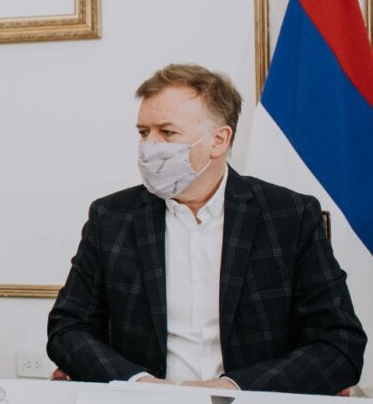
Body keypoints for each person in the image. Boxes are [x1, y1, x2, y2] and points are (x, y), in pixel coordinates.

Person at [47, 64, 367, 395]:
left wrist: (230, 388)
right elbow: (68, 328)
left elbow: (339, 342)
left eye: (167, 133)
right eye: (144, 133)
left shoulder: (289, 216)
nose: (149, 146)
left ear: (219, 140)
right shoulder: (111, 216)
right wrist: (141, 385)